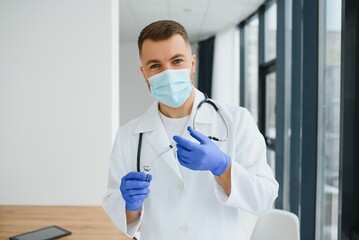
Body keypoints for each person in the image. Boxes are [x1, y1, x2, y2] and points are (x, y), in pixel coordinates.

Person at [103, 20, 279, 240]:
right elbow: (120, 213)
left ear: (192, 64)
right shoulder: (128, 136)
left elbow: (264, 199)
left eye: (177, 61)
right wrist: (129, 205)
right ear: (144, 73)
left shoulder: (236, 121)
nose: (168, 73)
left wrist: (222, 167)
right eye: (155, 65)